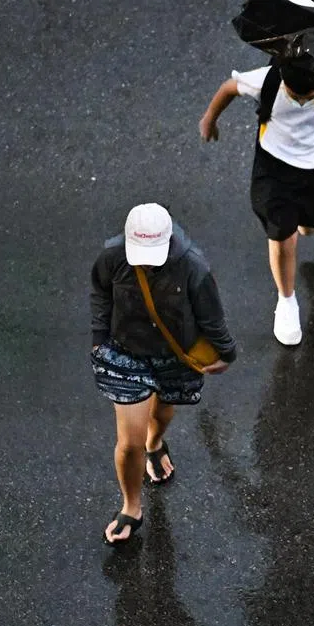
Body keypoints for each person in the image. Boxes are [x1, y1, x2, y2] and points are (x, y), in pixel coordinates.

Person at [90, 203, 237, 545]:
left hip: (174, 355)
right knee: (129, 442)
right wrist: (99, 338)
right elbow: (100, 291)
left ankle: (155, 444)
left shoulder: (193, 266)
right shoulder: (111, 257)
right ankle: (132, 507)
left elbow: (211, 316)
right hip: (125, 354)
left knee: (163, 411)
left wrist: (226, 352)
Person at [199, 57, 314, 345]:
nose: (299, 101)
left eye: (307, 97)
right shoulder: (267, 80)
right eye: (292, 94)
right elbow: (229, 88)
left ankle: (302, 225)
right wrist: (209, 119)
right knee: (282, 235)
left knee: (309, 225)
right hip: (273, 170)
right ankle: (286, 300)